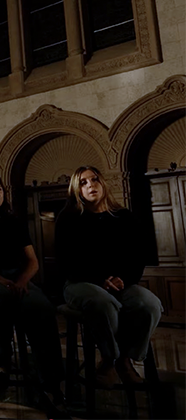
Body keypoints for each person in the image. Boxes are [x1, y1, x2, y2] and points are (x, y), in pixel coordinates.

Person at [0, 174, 69, 419]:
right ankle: (2, 357)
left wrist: (21, 282)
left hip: (16, 278)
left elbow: (32, 262)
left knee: (42, 308)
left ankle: (51, 383)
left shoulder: (13, 223)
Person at [55, 165, 163, 388]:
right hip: (80, 282)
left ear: (102, 183)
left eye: (94, 180)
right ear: (77, 189)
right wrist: (98, 280)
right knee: (103, 302)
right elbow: (67, 261)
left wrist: (122, 277)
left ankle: (125, 359)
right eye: (83, 183)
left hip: (120, 282)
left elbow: (137, 255)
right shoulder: (68, 218)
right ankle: (108, 359)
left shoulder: (124, 217)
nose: (90, 185)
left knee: (150, 304)